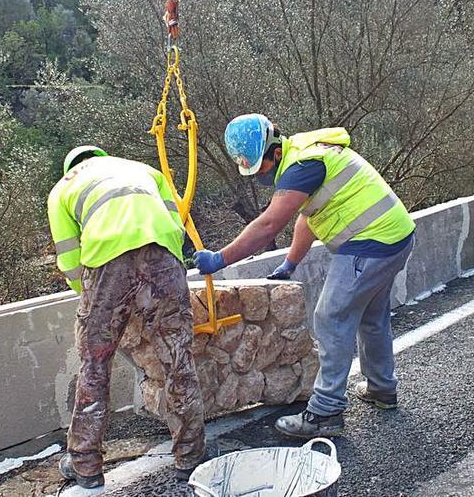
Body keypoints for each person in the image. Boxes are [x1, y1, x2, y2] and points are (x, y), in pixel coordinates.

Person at [193, 114, 416, 439]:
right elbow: (308, 218)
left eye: (262, 167)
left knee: (330, 317)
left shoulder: (302, 165)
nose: (261, 175)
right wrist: (290, 263)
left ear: (275, 151)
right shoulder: (305, 153)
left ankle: (325, 413)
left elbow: (269, 224)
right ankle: (383, 390)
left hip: (372, 243)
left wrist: (220, 258)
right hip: (395, 236)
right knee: (372, 316)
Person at [48, 146, 206, 488]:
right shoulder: (144, 170)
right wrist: (164, 280)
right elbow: (176, 227)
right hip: (162, 252)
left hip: (106, 261)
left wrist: (93, 302)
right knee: (178, 358)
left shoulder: (62, 188)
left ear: (71, 166)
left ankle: (86, 465)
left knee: (95, 365)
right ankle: (191, 456)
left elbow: (70, 261)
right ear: (103, 157)